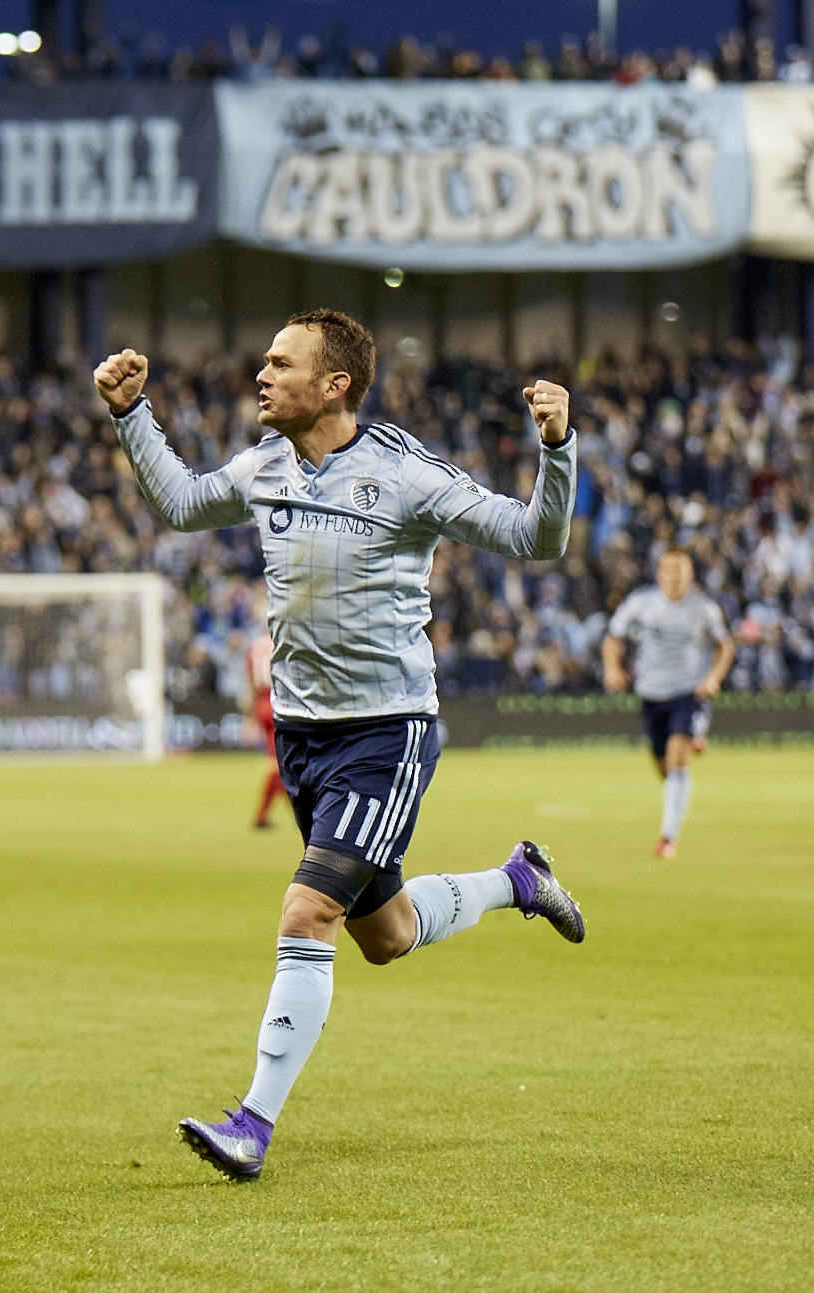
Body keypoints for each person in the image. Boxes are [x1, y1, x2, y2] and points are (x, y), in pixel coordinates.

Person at [93, 310, 587, 1182]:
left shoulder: (404, 476)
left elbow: (534, 538)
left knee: (306, 912)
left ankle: (251, 1123)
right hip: (302, 737)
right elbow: (177, 505)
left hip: (384, 731)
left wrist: (556, 447)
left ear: (335, 385)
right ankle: (518, 879)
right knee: (385, 935)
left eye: (281, 363)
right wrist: (134, 415)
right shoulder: (263, 467)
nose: (262, 373)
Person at [601, 549, 735, 858]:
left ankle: (667, 838)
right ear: (659, 574)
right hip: (650, 694)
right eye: (671, 570)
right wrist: (612, 668)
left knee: (677, 758)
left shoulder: (703, 608)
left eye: (682, 570)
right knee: (664, 767)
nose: (676, 576)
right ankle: (690, 750)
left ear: (690, 575)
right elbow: (613, 637)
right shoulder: (641, 603)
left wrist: (713, 678)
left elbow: (724, 646)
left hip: (688, 692)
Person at [242, 631, 287, 828]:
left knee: (277, 762)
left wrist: (250, 717)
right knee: (278, 767)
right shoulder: (283, 640)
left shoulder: (255, 645)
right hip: (279, 702)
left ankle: (266, 815)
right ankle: (262, 815)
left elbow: (251, 682)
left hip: (261, 702)